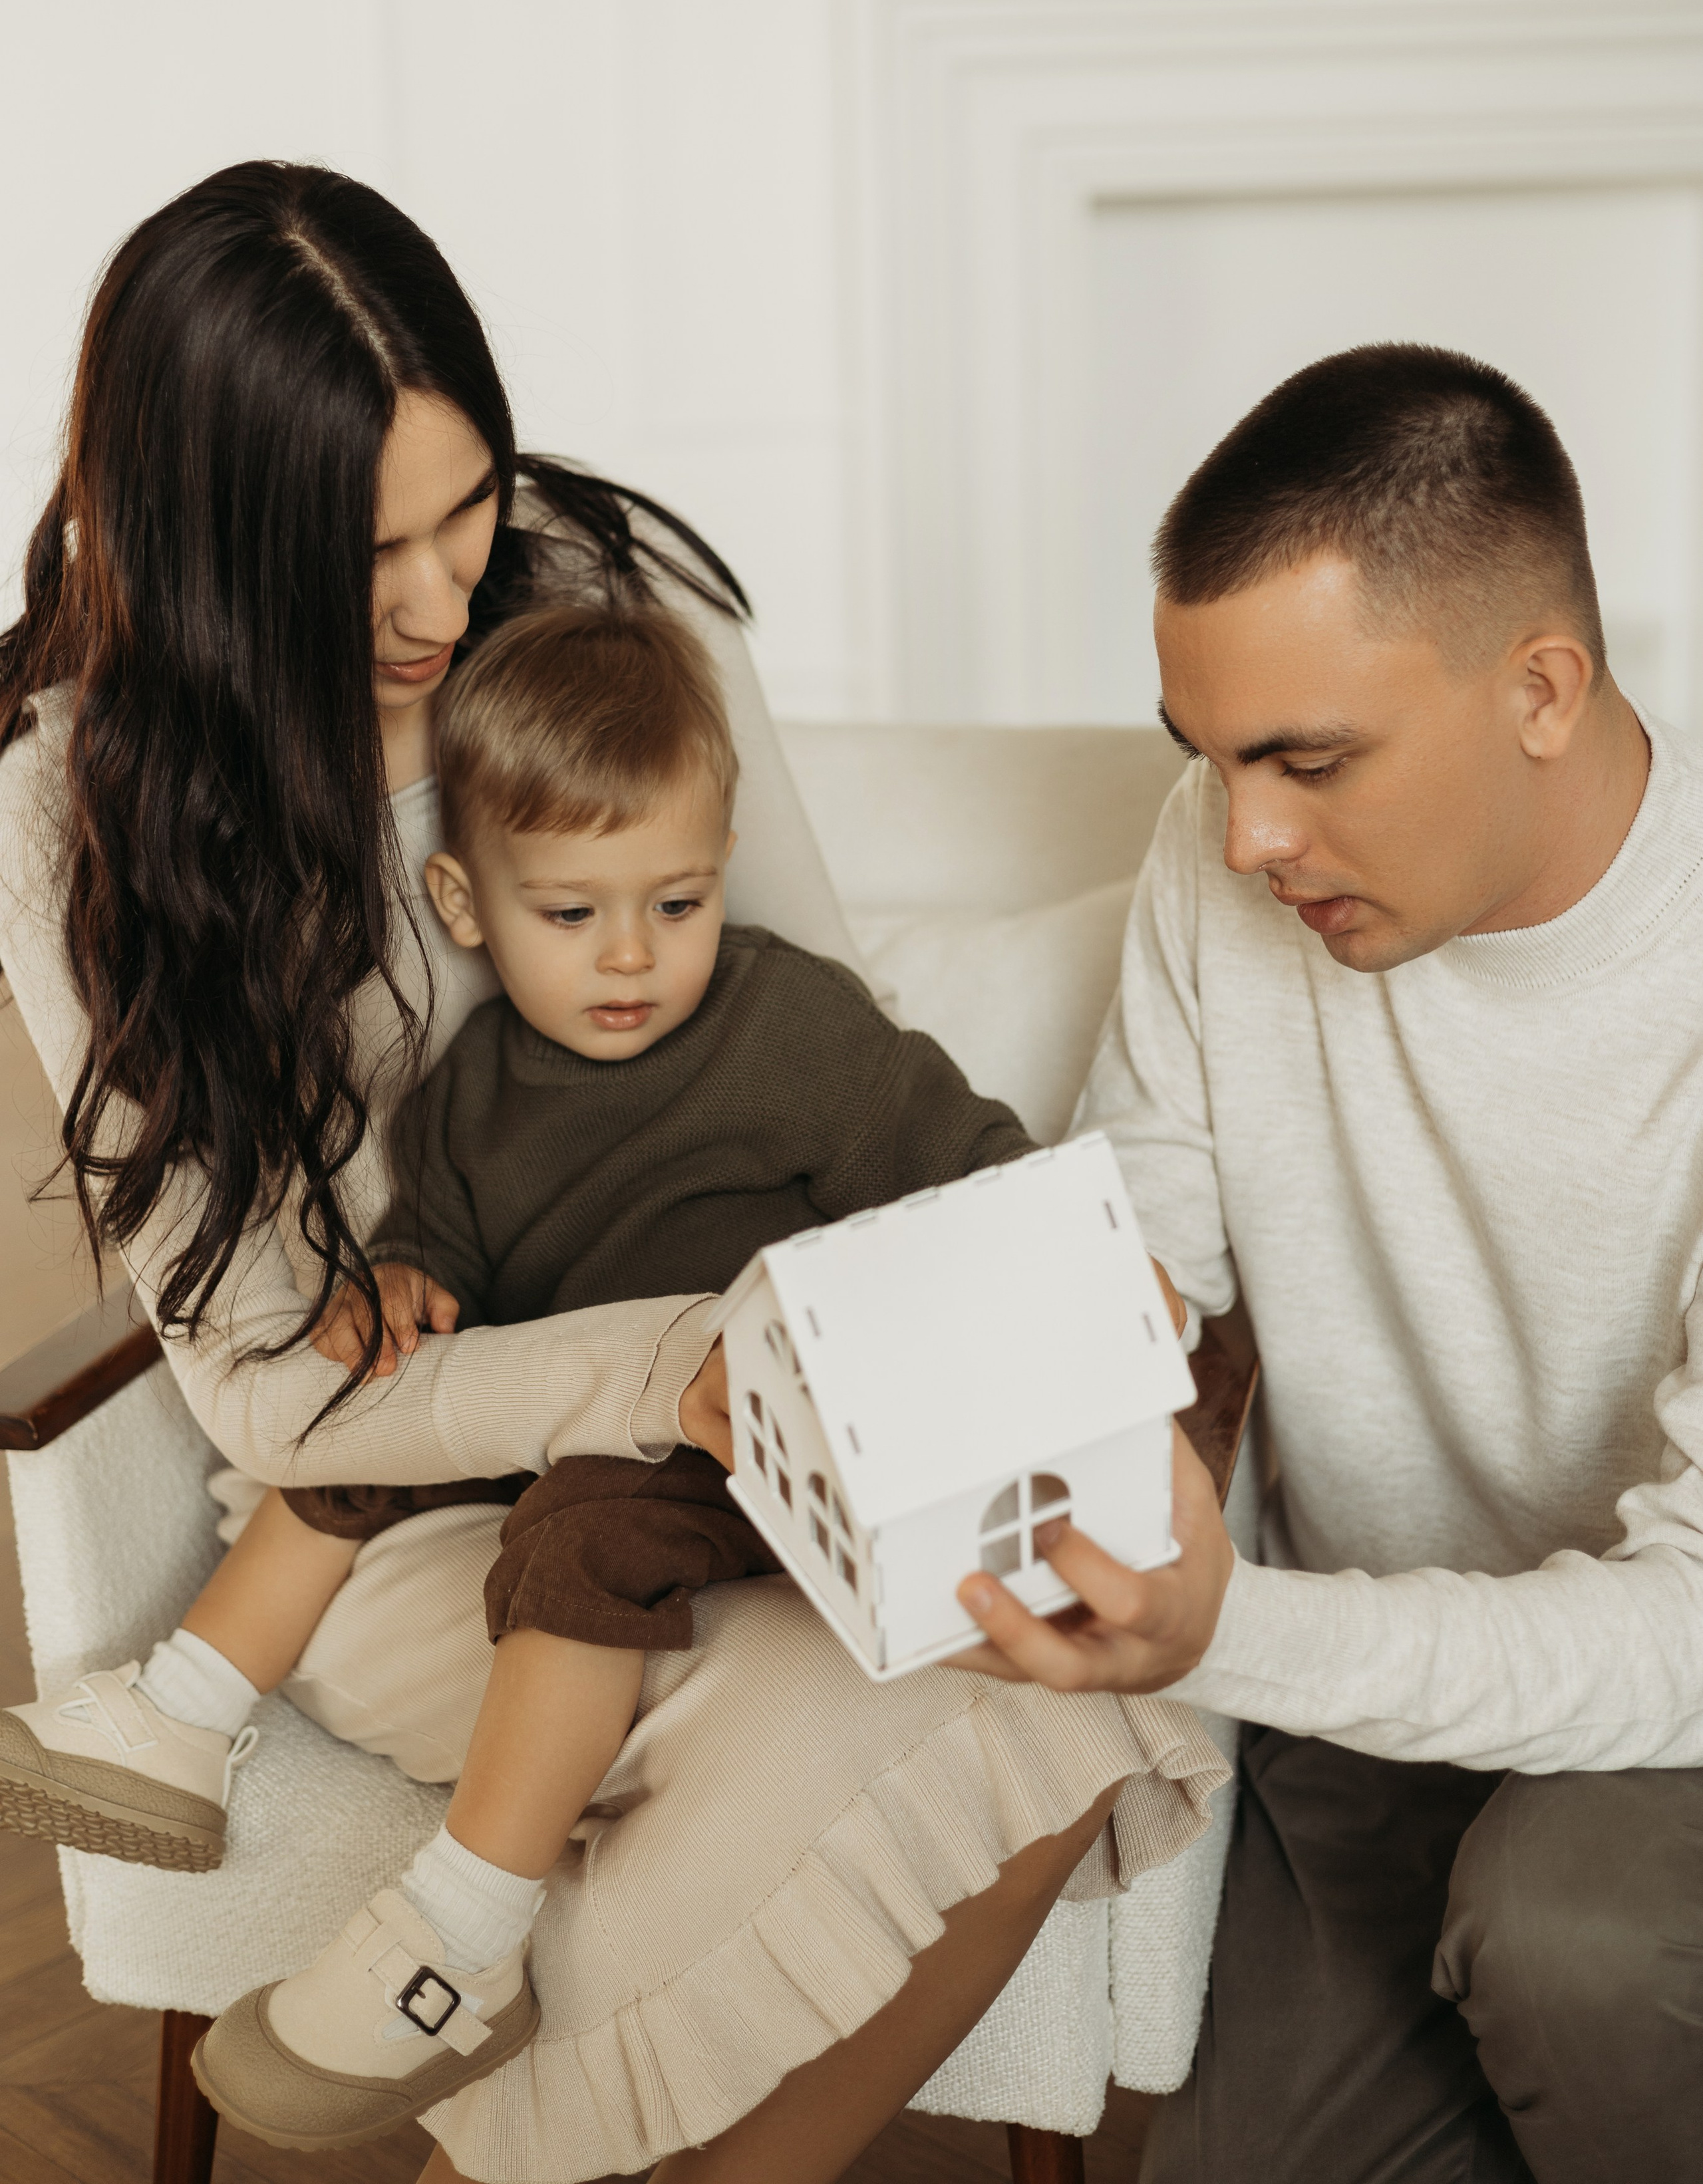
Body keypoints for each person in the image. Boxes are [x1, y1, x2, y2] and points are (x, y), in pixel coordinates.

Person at [0, 160, 1227, 2184]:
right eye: (352, 553)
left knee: (1058, 1697)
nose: (430, 603)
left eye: (460, 510)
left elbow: (805, 1016)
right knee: (942, 1721)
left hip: (754, 1429)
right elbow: (274, 1384)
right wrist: (666, 1362)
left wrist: (971, 1340)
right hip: (399, 1481)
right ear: (206, 540)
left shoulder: (604, 599)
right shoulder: (80, 796)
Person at [957, 342, 1703, 2184]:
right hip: (1364, 1711)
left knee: (1573, 1939)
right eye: (1207, 759)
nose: (1246, 838)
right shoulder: (1222, 870)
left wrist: (1235, 1632)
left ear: (1544, 687)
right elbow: (1142, 1228)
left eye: (1309, 760)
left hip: (1656, 1725)